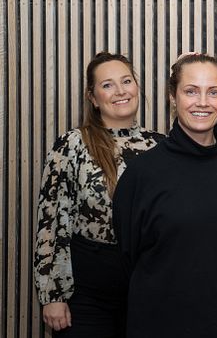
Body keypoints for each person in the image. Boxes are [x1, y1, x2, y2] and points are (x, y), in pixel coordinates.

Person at [113, 53, 217, 337]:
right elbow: (128, 257)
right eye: (190, 91)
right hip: (160, 323)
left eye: (213, 92)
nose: (202, 102)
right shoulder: (142, 174)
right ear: (173, 97)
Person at [34, 52, 164, 337]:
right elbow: (51, 223)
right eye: (107, 85)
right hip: (87, 291)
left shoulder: (161, 146)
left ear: (137, 87)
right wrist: (53, 294)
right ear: (92, 98)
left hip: (147, 287)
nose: (120, 91)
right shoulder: (72, 145)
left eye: (126, 81)